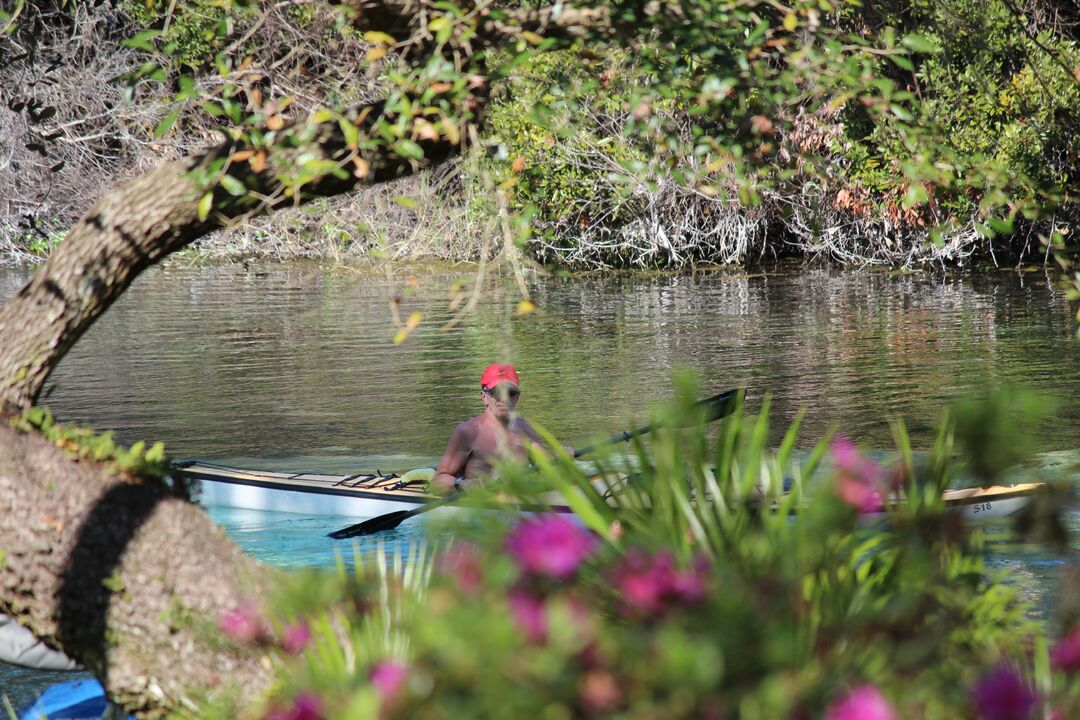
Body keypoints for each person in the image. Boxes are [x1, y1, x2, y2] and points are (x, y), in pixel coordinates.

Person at [432, 363, 568, 493]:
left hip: (518, 501)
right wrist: (463, 484)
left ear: (518, 397)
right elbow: (437, 483)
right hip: (481, 506)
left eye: (511, 393)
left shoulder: (524, 428)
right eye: (498, 392)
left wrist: (562, 460)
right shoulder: (468, 431)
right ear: (484, 397)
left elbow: (548, 470)